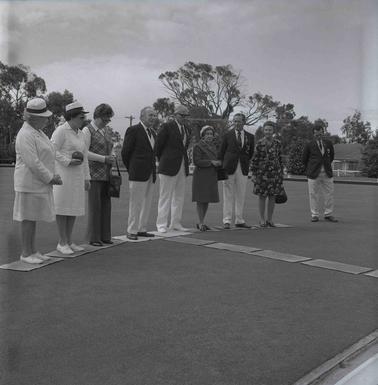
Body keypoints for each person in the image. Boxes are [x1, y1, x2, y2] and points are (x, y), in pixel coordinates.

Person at [13, 98, 62, 264]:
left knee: (32, 217)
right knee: (27, 218)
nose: (47, 120)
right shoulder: (25, 134)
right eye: (44, 117)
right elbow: (33, 162)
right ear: (33, 117)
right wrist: (50, 177)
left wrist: (51, 175)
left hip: (38, 183)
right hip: (29, 183)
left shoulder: (39, 132)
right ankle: (26, 253)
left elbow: (48, 155)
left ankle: (33, 250)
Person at [51, 101, 91, 255]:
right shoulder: (61, 131)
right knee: (62, 208)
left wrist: (87, 178)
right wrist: (67, 161)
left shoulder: (81, 133)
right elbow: (51, 149)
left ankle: (69, 240)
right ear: (72, 117)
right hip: (64, 175)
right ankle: (61, 242)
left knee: (73, 207)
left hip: (78, 176)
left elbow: (85, 156)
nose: (83, 119)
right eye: (81, 116)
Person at [121, 107, 157, 240]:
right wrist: (131, 168)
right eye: (150, 115)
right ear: (142, 116)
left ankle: (142, 229)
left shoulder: (153, 132)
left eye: (154, 115)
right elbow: (125, 152)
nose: (153, 118)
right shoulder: (133, 130)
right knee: (135, 203)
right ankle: (132, 230)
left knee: (146, 203)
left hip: (150, 173)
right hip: (137, 173)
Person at [82, 103, 115, 246]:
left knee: (106, 205)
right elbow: (85, 153)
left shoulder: (107, 130)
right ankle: (94, 238)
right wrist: (104, 159)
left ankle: (105, 236)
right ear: (97, 117)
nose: (107, 122)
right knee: (95, 206)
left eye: (108, 120)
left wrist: (112, 156)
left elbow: (111, 148)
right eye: (105, 119)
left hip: (107, 174)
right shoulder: (87, 131)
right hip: (93, 174)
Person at [155, 105, 191, 233]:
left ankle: (175, 223)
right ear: (175, 115)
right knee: (165, 196)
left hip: (182, 166)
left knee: (179, 196)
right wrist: (163, 159)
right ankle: (161, 224)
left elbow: (184, 148)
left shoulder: (187, 129)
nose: (184, 118)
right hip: (168, 166)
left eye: (186, 115)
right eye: (182, 115)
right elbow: (158, 146)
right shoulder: (167, 126)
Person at [219, 112, 254, 229]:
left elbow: (251, 153)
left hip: (243, 168)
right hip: (229, 168)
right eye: (235, 121)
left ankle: (239, 219)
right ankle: (227, 220)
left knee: (241, 194)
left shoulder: (250, 137)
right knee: (227, 195)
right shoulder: (227, 135)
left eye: (239, 121)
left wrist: (244, 161)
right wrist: (221, 167)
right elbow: (221, 152)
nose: (236, 123)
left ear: (244, 122)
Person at [251, 121, 284, 227]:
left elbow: (280, 159)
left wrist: (281, 174)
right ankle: (262, 219)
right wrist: (254, 174)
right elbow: (255, 160)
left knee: (272, 196)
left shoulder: (278, 143)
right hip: (262, 174)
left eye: (270, 130)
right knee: (262, 196)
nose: (268, 132)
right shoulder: (259, 143)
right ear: (263, 131)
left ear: (273, 131)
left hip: (275, 174)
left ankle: (270, 219)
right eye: (266, 130)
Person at [302, 124, 338, 222]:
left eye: (320, 134)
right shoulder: (309, 144)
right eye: (317, 135)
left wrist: (325, 165)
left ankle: (328, 214)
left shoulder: (328, 143)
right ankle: (314, 215)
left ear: (323, 133)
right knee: (313, 194)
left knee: (329, 194)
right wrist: (310, 169)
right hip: (313, 173)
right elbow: (304, 159)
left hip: (327, 173)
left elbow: (332, 157)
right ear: (314, 134)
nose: (319, 136)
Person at [192, 125, 221, 231]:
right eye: (207, 134)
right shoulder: (198, 146)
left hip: (211, 175)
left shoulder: (214, 146)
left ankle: (202, 222)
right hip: (201, 176)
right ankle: (201, 222)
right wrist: (211, 162)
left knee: (207, 200)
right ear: (203, 135)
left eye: (211, 134)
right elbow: (197, 161)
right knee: (200, 200)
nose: (209, 136)